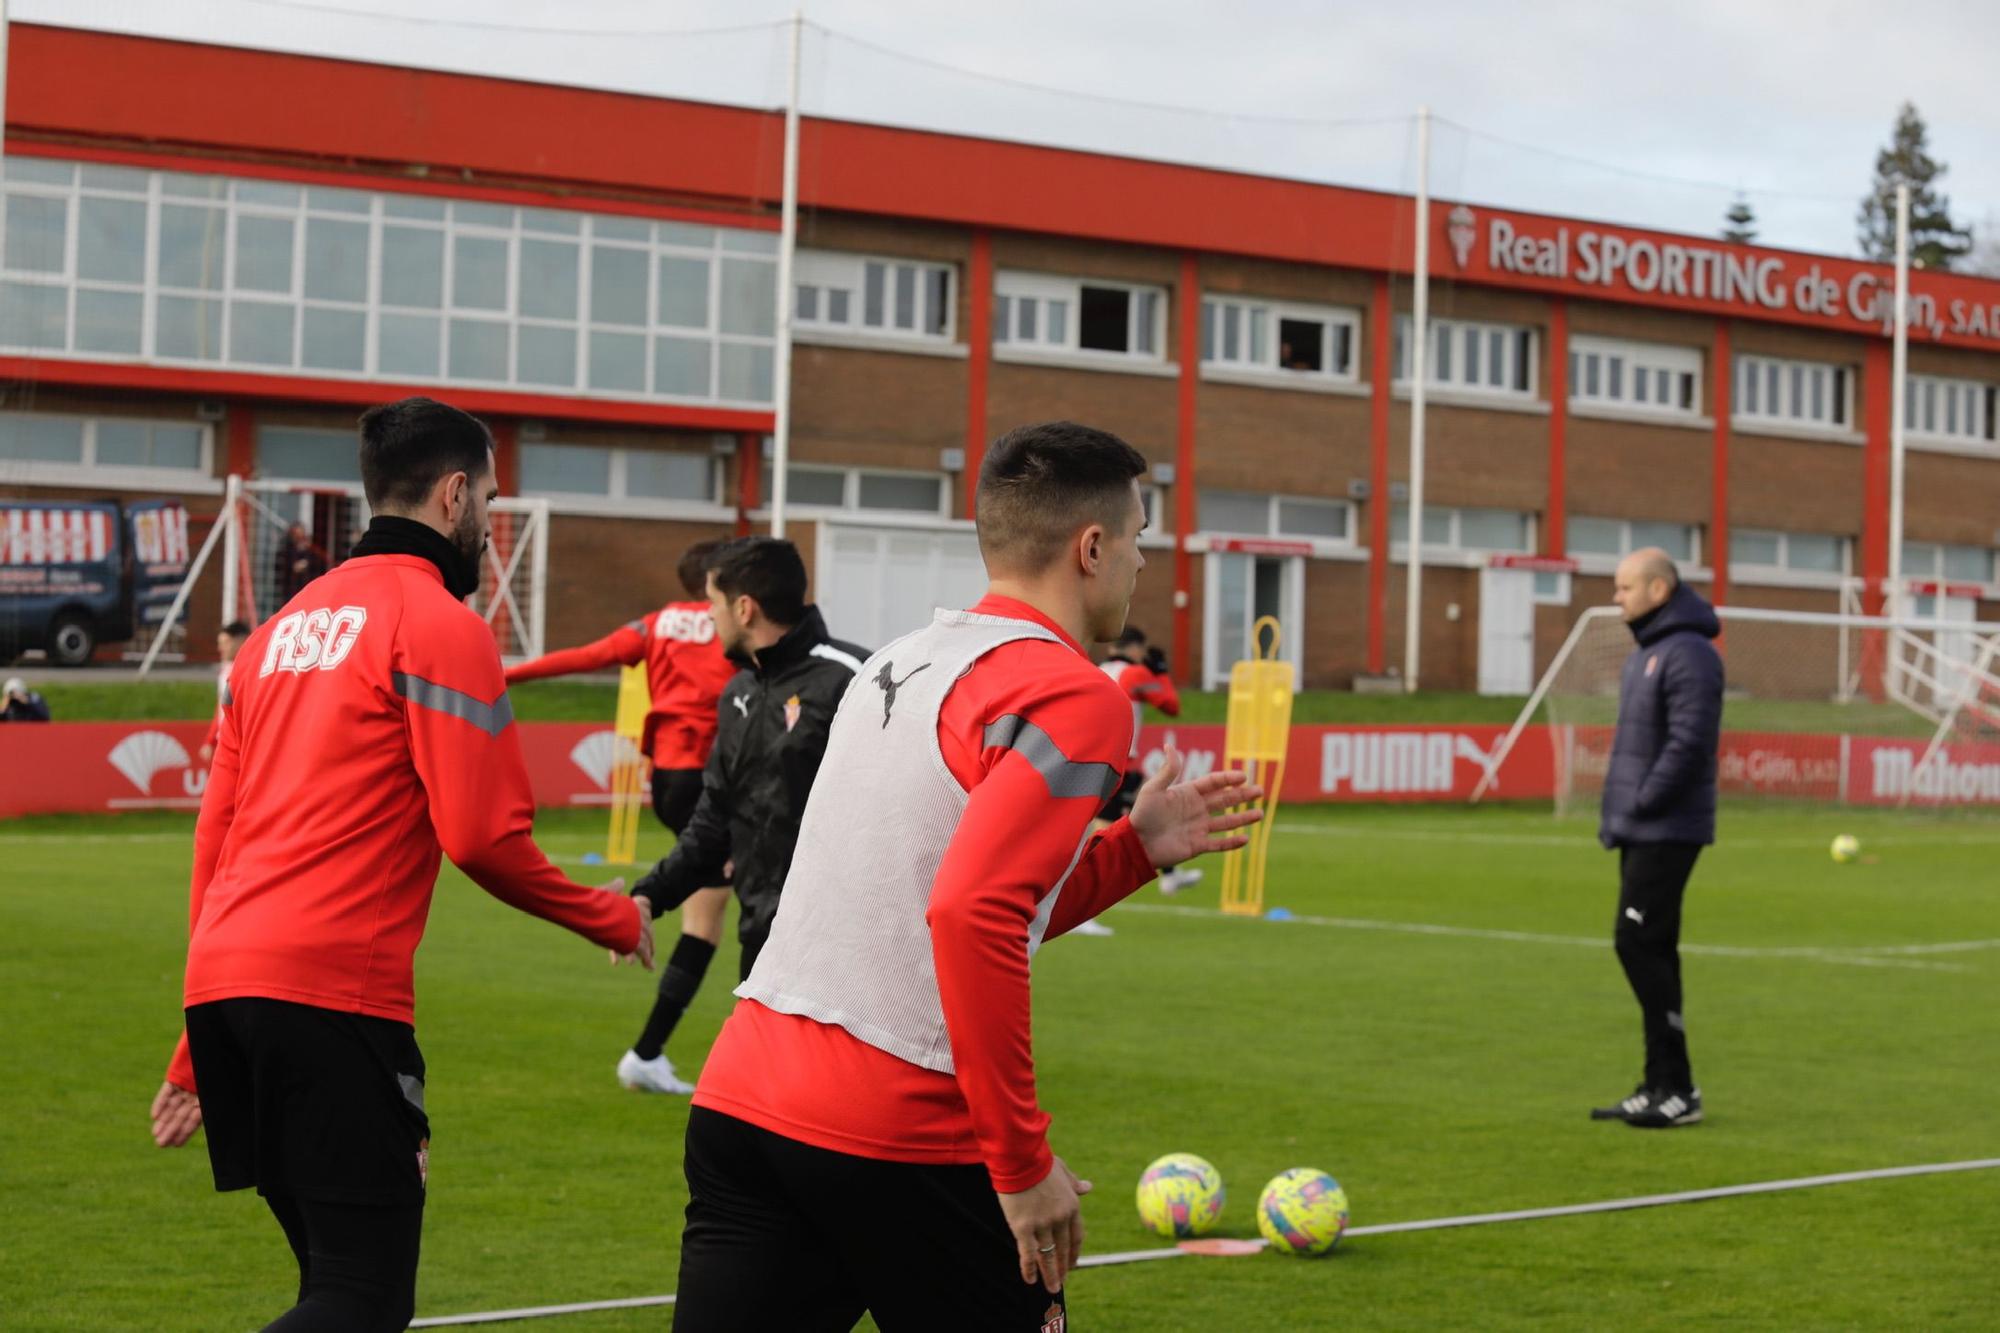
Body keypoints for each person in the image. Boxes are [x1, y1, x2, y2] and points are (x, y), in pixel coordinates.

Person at [669, 422, 1262, 1332]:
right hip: (895, 1128)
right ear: (1092, 548)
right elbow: (971, 910)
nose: (1143, 563)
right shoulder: (1076, 693)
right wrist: (1021, 1164)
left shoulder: (897, 662)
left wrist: (1135, 850)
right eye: (1141, 539)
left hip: (744, 1101)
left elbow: (943, 893)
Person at [148, 397, 652, 1332]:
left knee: (333, 1287)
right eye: (492, 503)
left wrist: (191, 1043)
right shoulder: (442, 625)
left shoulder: (270, 640)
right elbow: (481, 837)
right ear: (454, 494)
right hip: (334, 999)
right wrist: (610, 915)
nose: (493, 527)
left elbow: (212, 850)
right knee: (361, 1299)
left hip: (228, 997)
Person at [504, 540, 738, 1096]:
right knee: (755, 911)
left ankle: (650, 1050)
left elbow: (588, 656)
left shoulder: (657, 624)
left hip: (669, 781)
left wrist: (508, 675)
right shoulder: (739, 624)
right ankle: (630, 923)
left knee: (709, 917)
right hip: (716, 781)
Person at [628, 535, 867, 994]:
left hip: (841, 957)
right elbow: (715, 821)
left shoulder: (853, 679)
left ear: (743, 609)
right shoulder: (740, 692)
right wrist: (649, 896)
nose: (709, 616)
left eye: (713, 603)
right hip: (761, 948)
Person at [1589, 547, 1722, 1131]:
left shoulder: (1689, 654)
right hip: (1642, 827)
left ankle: (1678, 1086)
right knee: (1650, 946)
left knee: (1637, 942)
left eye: (1625, 588)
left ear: (1658, 591)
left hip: (1668, 826)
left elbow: (1690, 741)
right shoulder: (1648, 654)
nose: (1617, 598)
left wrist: (1642, 801)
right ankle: (1658, 1084)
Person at [1099, 625, 1202, 897]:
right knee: (1103, 832)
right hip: (1119, 764)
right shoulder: (1135, 674)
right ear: (1136, 649)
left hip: (1094, 761)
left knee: (1150, 812)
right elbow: (1170, 705)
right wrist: (1161, 672)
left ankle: (1169, 874)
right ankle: (1080, 911)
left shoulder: (1097, 670)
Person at [198, 621, 252, 766]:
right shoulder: (226, 671)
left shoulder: (251, 669)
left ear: (241, 640)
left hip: (243, 740)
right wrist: (210, 740)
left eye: (226, 642)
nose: (220, 648)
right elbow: (222, 708)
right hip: (227, 740)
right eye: (220, 643)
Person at [273, 522, 328, 605]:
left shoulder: (311, 552)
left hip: (307, 589)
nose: (300, 539)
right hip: (290, 591)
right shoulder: (286, 551)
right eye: (297, 536)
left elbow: (320, 566)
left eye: (302, 536)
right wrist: (293, 567)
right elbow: (280, 568)